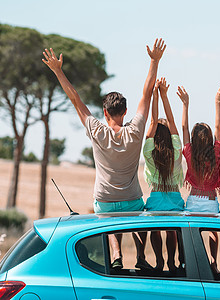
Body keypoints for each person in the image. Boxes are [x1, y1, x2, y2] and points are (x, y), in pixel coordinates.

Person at [42, 39, 166, 271]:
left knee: (109, 221)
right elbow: (147, 93)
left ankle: (116, 254)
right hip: (132, 200)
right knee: (139, 216)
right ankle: (140, 256)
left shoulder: (96, 130)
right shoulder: (135, 130)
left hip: (105, 201)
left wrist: (58, 71)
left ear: (105, 112)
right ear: (125, 111)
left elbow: (75, 98)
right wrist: (154, 61)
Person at [177, 84, 220, 274]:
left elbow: (184, 127)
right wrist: (217, 102)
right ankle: (213, 263)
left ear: (194, 139)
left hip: (193, 201)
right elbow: (218, 127)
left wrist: (185, 105)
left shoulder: (189, 152)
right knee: (213, 233)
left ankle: (194, 266)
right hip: (211, 202)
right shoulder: (216, 153)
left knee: (191, 236)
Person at [143, 77, 184, 273]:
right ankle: (172, 263)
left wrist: (155, 96)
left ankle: (159, 261)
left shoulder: (148, 152)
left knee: (155, 229)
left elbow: (153, 121)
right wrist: (165, 95)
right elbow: (173, 121)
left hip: (156, 196)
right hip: (174, 197)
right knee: (172, 230)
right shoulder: (176, 149)